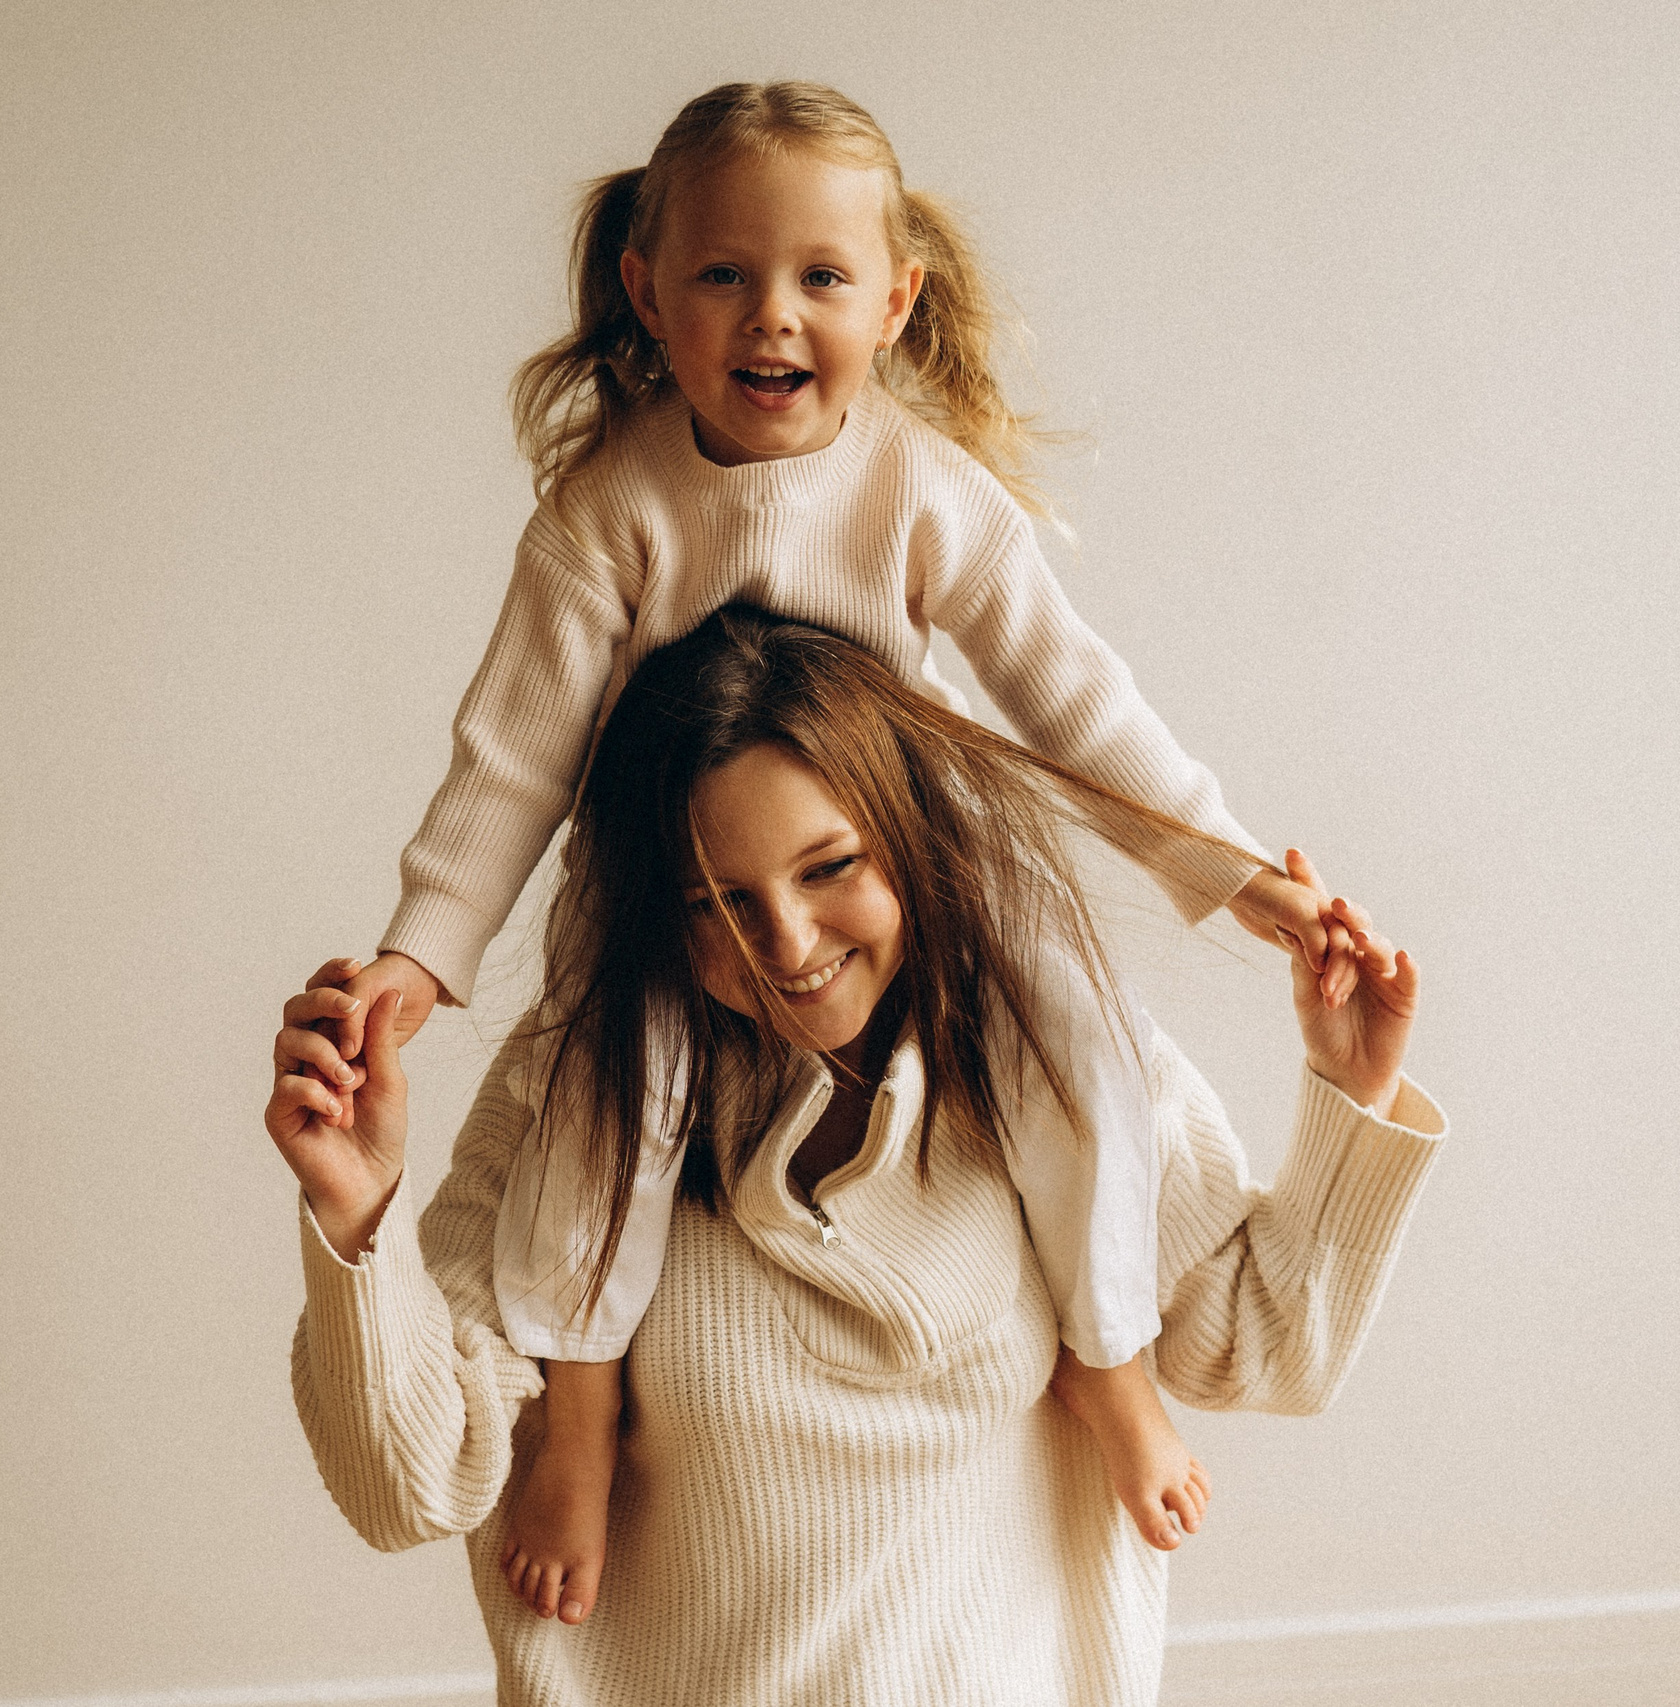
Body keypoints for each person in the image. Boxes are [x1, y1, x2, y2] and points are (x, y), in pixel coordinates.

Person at [309, 80, 1349, 1616]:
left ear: (896, 300)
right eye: (723, 275)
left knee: (1083, 1062)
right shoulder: (611, 510)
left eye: (820, 277)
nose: (772, 317)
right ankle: (580, 1415)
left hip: (904, 850)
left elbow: (1071, 698)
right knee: (596, 1115)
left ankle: (1111, 1364)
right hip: (669, 883)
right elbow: (514, 752)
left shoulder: (925, 492)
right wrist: (423, 953)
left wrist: (1229, 867)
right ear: (647, 292)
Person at [272, 610, 1438, 1701]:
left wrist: (1354, 1087)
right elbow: (405, 1489)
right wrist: (357, 1208)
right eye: (715, 902)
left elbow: (1270, 1351)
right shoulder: (580, 1096)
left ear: (908, 842)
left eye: (829, 867)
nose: (785, 944)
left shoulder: (1055, 1057)